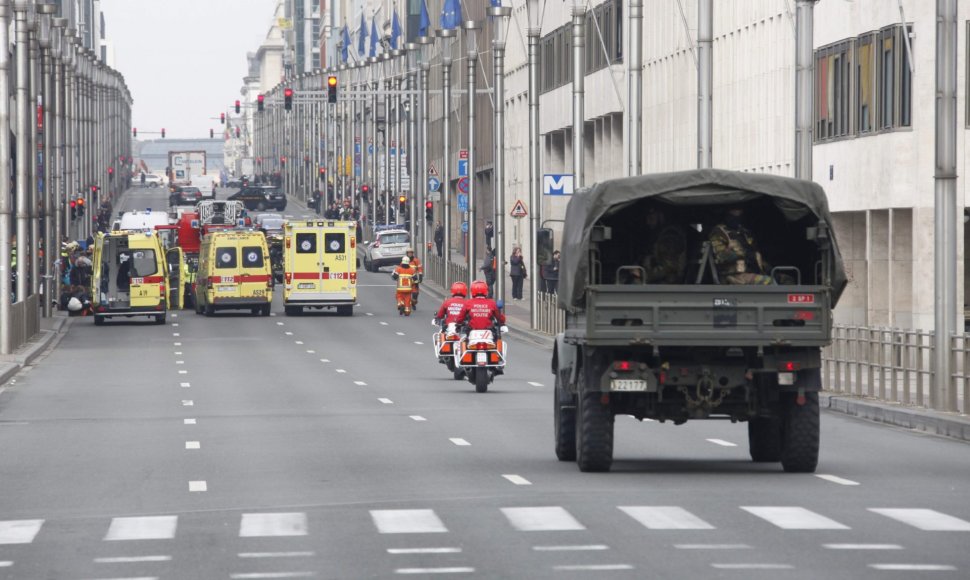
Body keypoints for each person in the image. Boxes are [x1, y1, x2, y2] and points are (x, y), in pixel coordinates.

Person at [709, 206, 773, 285]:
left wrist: (769, 269)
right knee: (769, 282)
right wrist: (734, 252)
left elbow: (755, 255)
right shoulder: (719, 232)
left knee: (786, 280)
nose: (737, 213)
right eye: (734, 211)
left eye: (739, 211)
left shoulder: (744, 232)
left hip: (754, 272)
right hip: (735, 275)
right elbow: (721, 257)